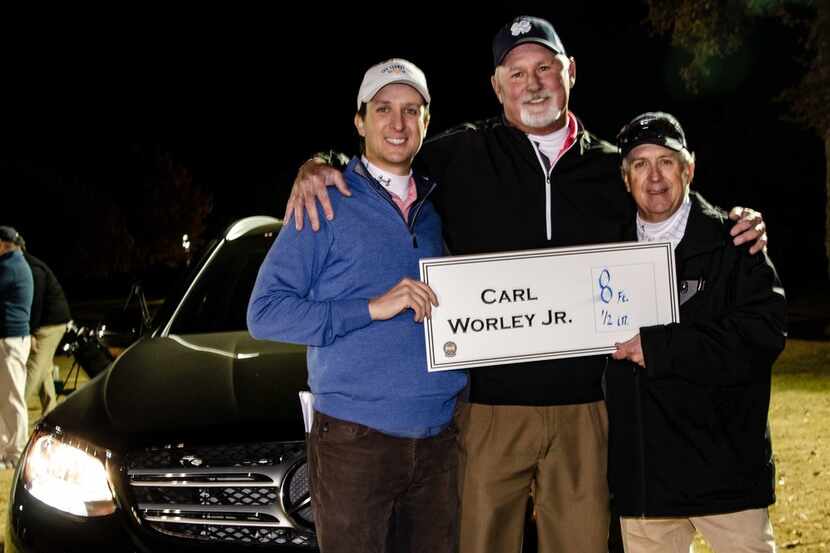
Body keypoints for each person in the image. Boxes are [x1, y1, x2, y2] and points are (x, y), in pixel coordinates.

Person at [282, 16, 769, 553]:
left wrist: (731, 221)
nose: (532, 83)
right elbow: (383, 157)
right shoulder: (456, 155)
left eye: (545, 68)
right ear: (496, 86)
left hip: (584, 409)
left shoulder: (611, 169)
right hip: (491, 411)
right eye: (516, 73)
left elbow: (667, 201)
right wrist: (318, 163)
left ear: (571, 73)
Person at [247, 58, 467, 553]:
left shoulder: (436, 207)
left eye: (411, 110)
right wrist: (370, 307)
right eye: (384, 109)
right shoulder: (325, 199)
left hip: (439, 442)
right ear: (360, 120)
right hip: (356, 442)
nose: (397, 123)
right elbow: (265, 313)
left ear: (426, 122)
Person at [607, 112, 785, 553]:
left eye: (666, 161)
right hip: (648, 484)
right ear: (625, 177)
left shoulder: (735, 240)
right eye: (640, 164)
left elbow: (762, 336)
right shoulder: (606, 251)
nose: (654, 177)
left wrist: (661, 348)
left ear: (688, 168)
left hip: (726, 476)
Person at [21, 236, 72, 417]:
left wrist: (31, 332)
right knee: (44, 370)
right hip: (48, 321)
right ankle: (52, 412)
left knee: (34, 367)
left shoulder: (33, 269)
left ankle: (14, 409)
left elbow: (36, 302)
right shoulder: (26, 266)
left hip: (50, 324)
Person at [0, 226, 33, 469]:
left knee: (12, 397)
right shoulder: (16, 263)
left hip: (11, 339)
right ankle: (6, 449)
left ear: (3, 244)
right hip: (12, 338)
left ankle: (15, 451)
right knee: (6, 396)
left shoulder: (9, 267)